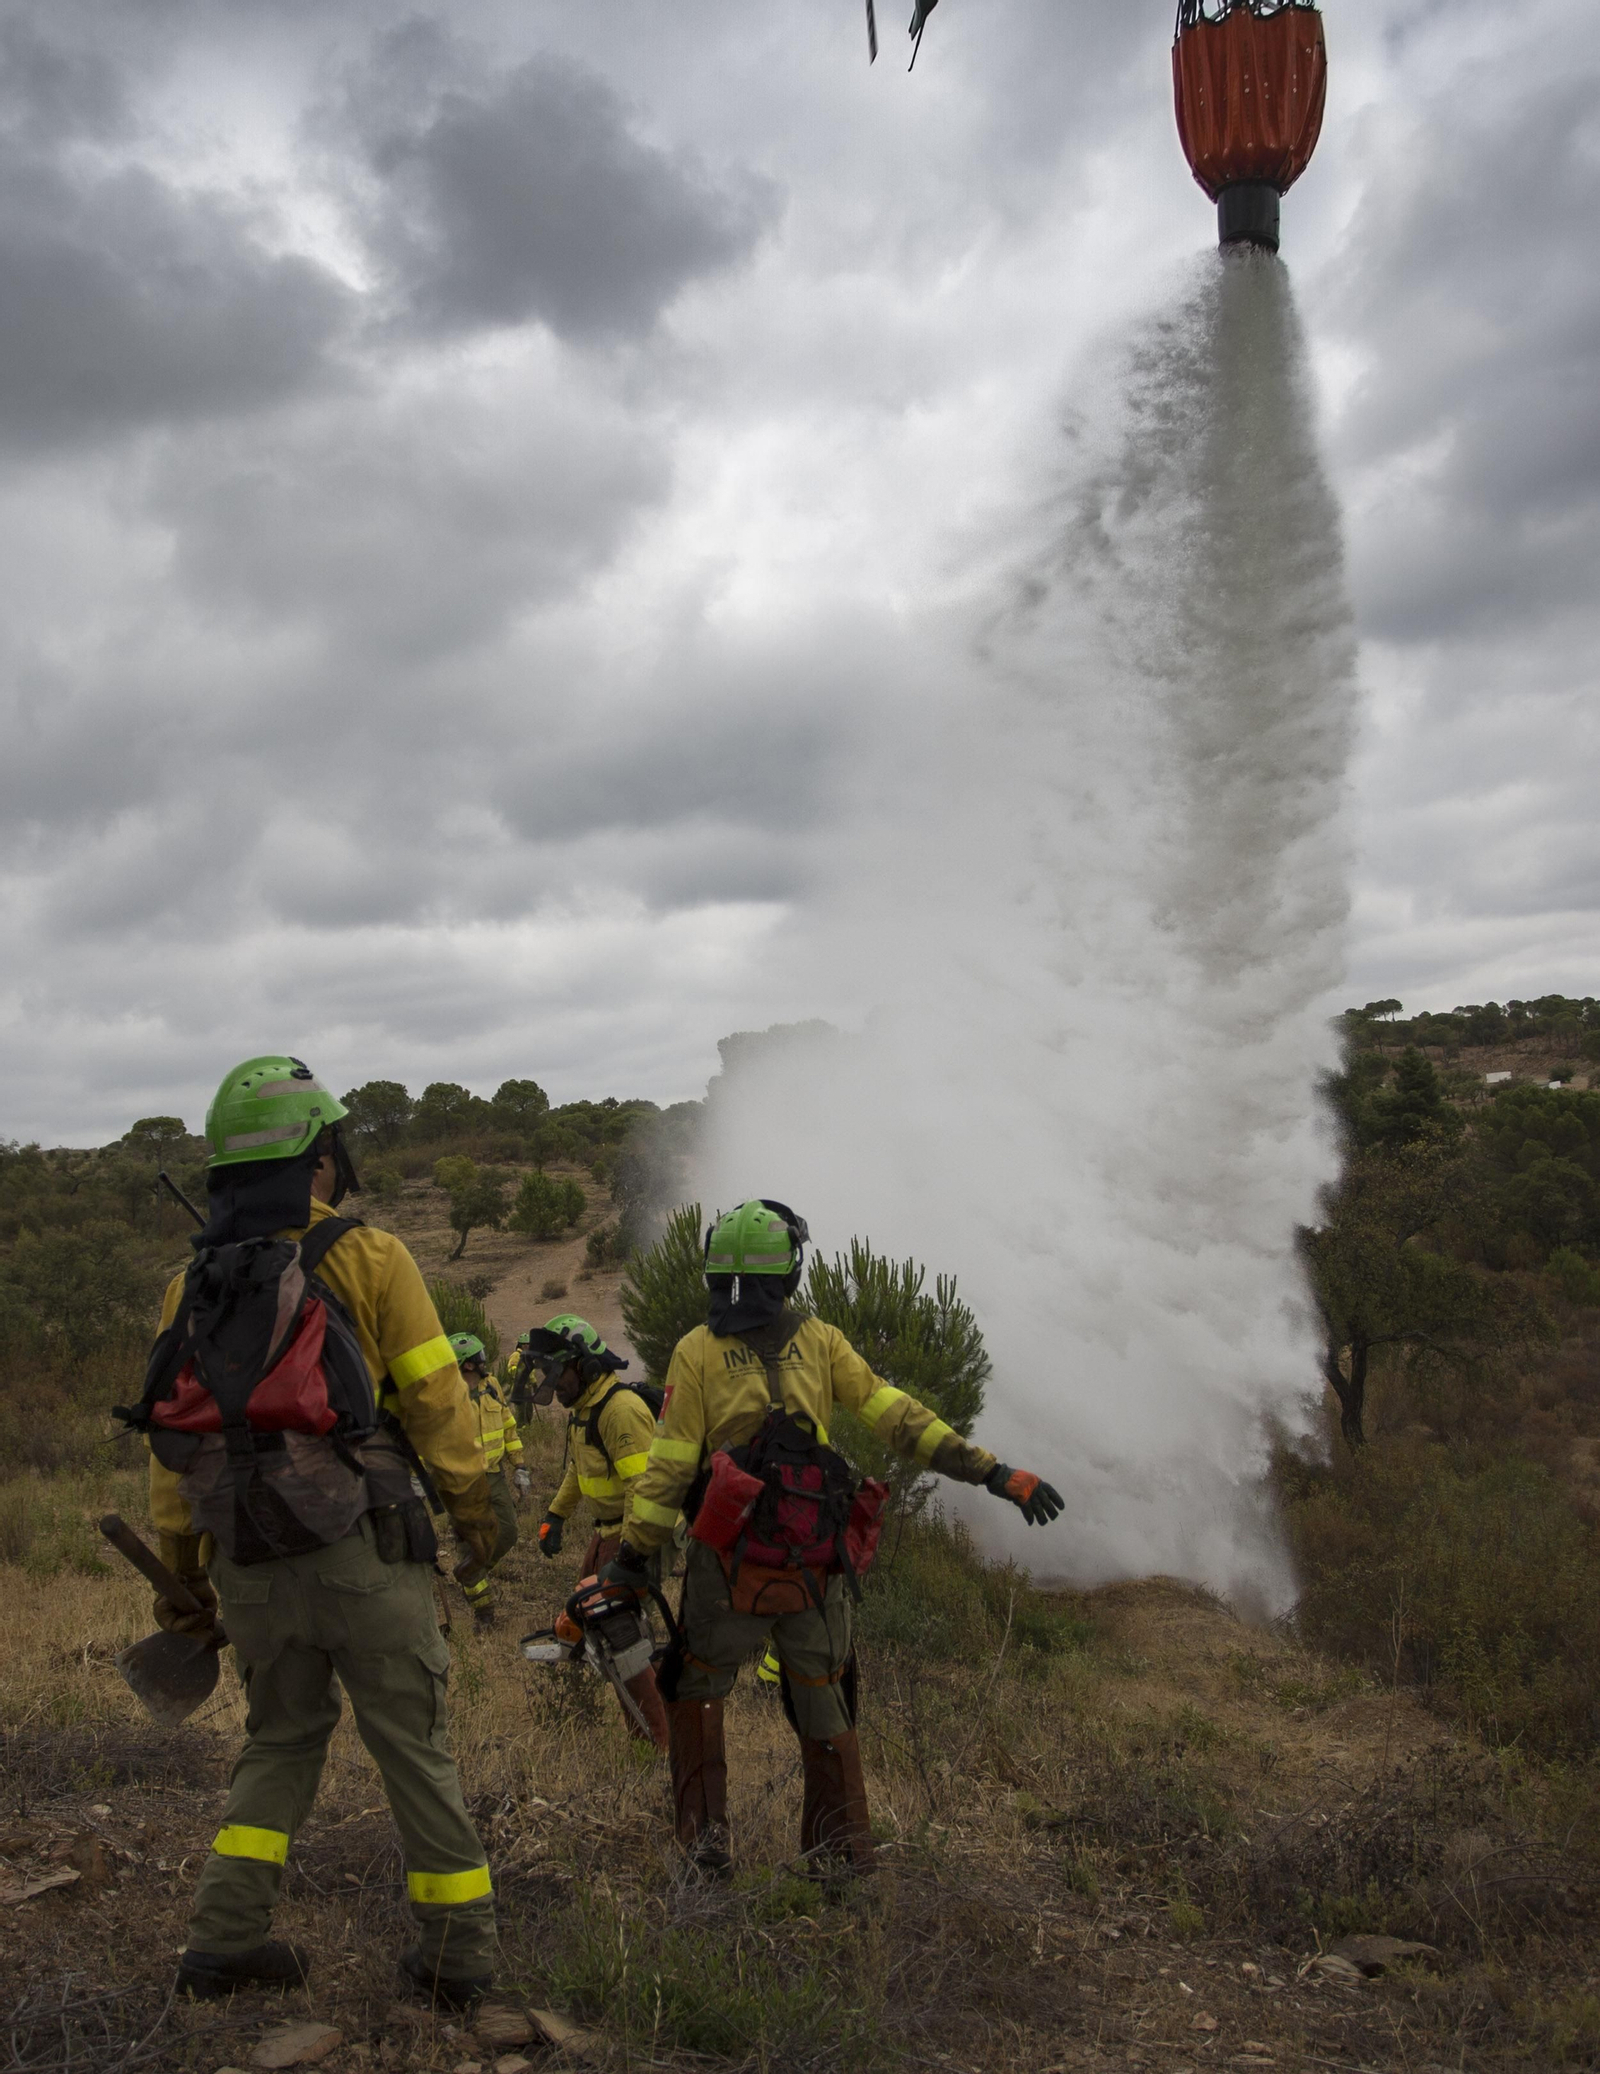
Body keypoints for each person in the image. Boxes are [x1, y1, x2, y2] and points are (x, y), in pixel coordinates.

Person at [126, 1056, 501, 2010]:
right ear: (319, 1155)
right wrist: (473, 1515)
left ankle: (220, 1941)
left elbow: (175, 1454)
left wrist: (186, 1575)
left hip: (249, 1562)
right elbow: (434, 1398)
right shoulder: (372, 1257)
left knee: (280, 1743)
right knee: (412, 1746)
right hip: (362, 1549)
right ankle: (457, 1957)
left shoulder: (188, 1286)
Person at [599, 1199, 1064, 1877]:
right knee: (824, 1695)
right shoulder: (821, 1340)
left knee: (695, 1689)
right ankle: (841, 1857)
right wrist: (991, 1472)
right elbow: (896, 1415)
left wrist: (634, 1555)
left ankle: (703, 1855)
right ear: (788, 1269)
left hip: (725, 1565)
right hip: (813, 1563)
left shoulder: (697, 1352)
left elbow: (670, 1467)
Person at [526, 1314, 669, 1745]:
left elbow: (642, 1490)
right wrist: (556, 1515)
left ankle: (656, 1742)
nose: (554, 1384)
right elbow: (579, 1469)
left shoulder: (618, 1410)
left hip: (634, 1533)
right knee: (609, 1631)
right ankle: (657, 1723)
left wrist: (629, 1555)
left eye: (557, 1373)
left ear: (585, 1366)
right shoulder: (586, 1408)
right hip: (608, 1531)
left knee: (619, 1636)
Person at [448, 1332, 529, 1628]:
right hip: (462, 1482)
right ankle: (485, 1615)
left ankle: (473, 1571)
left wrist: (519, 1465)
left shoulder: (492, 1386)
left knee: (507, 1532)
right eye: (479, 1358)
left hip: (494, 1476)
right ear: (467, 1365)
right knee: (471, 1545)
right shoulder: (446, 1394)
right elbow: (429, 1436)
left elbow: (508, 1424)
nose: (485, 1361)